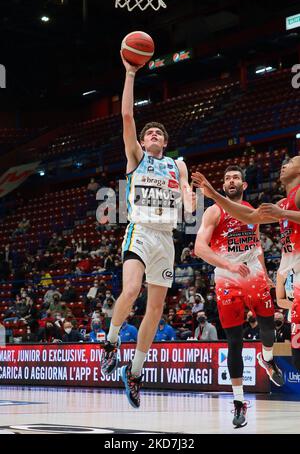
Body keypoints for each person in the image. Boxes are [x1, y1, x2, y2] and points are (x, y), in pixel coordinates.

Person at [101, 51, 196, 409]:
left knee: (155, 311)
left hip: (166, 238)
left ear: (165, 143)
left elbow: (187, 191)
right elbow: (127, 115)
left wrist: (188, 202)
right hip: (140, 230)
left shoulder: (177, 164)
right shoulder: (136, 159)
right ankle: (111, 341)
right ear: (142, 143)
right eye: (149, 133)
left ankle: (135, 371)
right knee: (132, 289)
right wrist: (129, 73)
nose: (153, 134)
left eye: (158, 133)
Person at [193, 165, 283, 428]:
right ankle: (238, 402)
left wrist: (265, 273)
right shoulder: (213, 210)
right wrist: (228, 265)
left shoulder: (251, 211)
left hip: (253, 273)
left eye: (235, 178)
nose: (230, 181)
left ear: (244, 185)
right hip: (227, 276)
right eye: (226, 178)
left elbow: (256, 246)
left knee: (269, 328)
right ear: (223, 186)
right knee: (235, 341)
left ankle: (266, 359)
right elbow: (199, 247)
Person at [192, 156, 300, 369]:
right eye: (283, 163)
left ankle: (267, 359)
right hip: (291, 282)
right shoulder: (282, 203)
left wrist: (283, 214)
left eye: (291, 162)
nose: (284, 165)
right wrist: (213, 194)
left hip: (268, 275)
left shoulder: (291, 201)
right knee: (297, 358)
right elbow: (250, 217)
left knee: (271, 329)